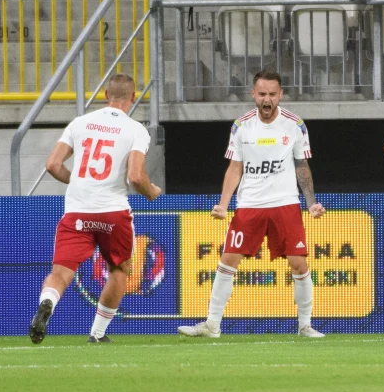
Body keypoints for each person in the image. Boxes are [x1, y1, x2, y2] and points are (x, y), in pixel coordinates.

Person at [178, 70, 326, 340]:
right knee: (227, 261)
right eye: (262, 94)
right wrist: (223, 204)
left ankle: (305, 325)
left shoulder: (295, 125)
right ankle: (212, 324)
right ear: (253, 95)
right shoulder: (241, 126)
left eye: (272, 94)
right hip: (250, 205)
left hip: (285, 203)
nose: (267, 99)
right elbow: (235, 167)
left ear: (280, 94)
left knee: (299, 264)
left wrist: (311, 202)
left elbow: (301, 165)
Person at [30, 73, 162, 344]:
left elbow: (53, 164)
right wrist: (152, 192)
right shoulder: (136, 129)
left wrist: (78, 180)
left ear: (105, 95)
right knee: (119, 271)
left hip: (77, 211)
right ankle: (98, 334)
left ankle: (47, 303)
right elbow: (136, 176)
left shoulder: (80, 123)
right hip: (112, 212)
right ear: (133, 97)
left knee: (61, 272)